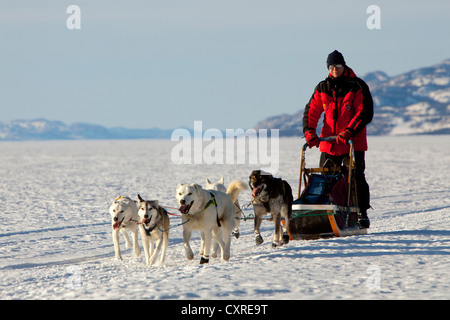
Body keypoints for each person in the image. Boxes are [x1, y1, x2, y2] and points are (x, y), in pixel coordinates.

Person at [302, 50, 373, 228]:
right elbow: (311, 111)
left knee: (355, 177)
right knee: (326, 178)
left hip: (352, 142)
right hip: (330, 143)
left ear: (344, 66)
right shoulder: (322, 88)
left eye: (338, 66)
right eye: (332, 67)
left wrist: (348, 131)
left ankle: (361, 212)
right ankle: (325, 212)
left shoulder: (357, 86)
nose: (335, 70)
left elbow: (364, 113)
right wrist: (310, 132)